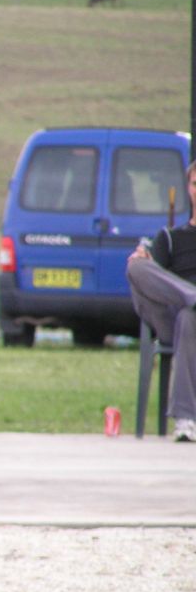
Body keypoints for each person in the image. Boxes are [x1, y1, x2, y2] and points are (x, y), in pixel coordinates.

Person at [127, 159, 196, 442]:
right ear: (188, 188)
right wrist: (145, 258)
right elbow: (153, 282)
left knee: (189, 316)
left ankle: (186, 419)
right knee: (136, 267)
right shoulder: (169, 237)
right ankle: (192, 297)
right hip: (172, 317)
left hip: (188, 320)